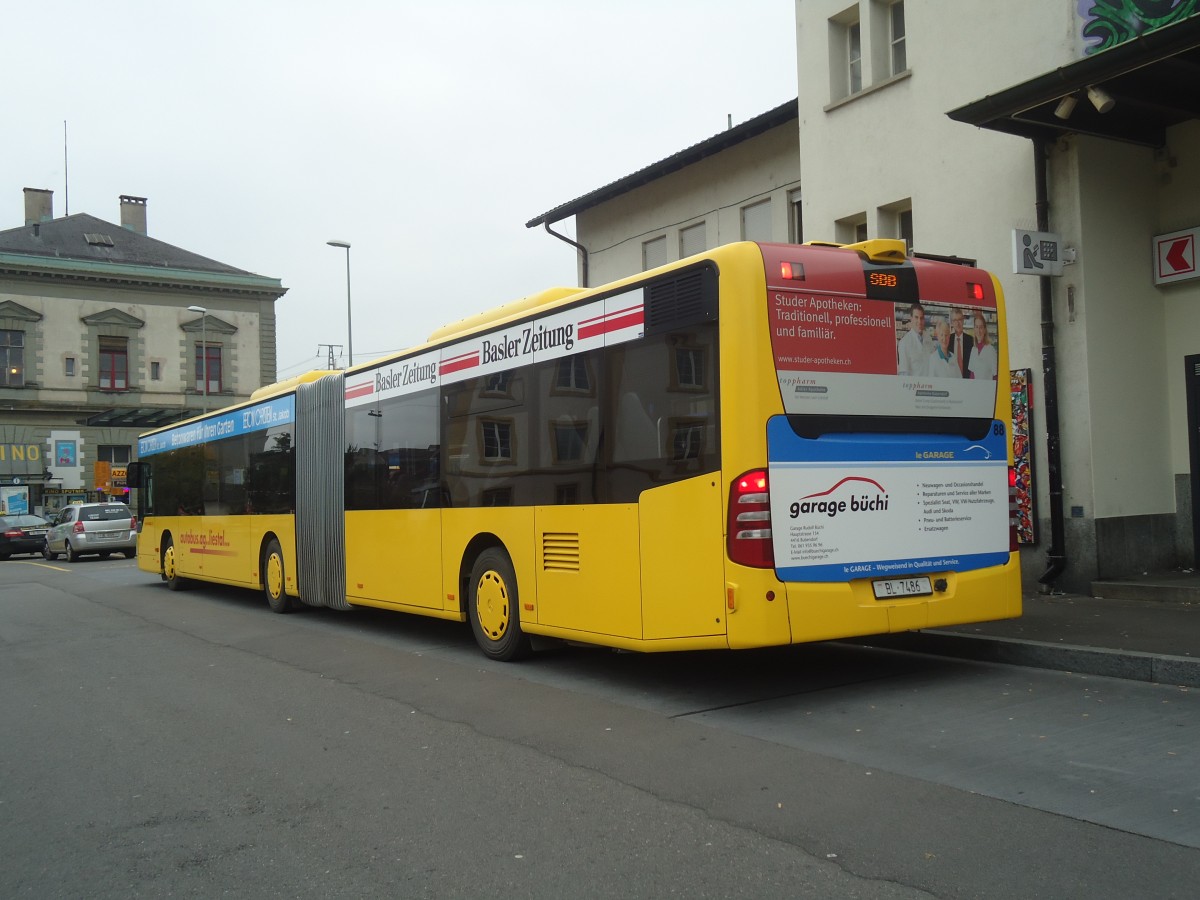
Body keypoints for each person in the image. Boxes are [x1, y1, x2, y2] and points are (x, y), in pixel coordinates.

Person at [896, 302, 930, 376]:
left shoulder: (928, 337)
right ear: (911, 318)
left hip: (930, 385)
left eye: (921, 318)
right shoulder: (904, 343)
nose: (919, 322)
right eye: (916, 317)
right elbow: (904, 374)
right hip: (916, 386)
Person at [968, 310, 998, 381]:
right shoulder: (973, 349)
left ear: (984, 330)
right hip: (976, 389)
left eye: (981, 327)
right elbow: (972, 374)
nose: (978, 331)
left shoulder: (990, 350)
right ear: (974, 329)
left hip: (988, 389)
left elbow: (995, 376)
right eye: (977, 327)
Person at [949, 308, 974, 377]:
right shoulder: (948, 339)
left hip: (967, 381)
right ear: (951, 323)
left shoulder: (970, 340)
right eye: (955, 320)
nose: (957, 323)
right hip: (952, 379)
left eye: (959, 319)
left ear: (963, 321)